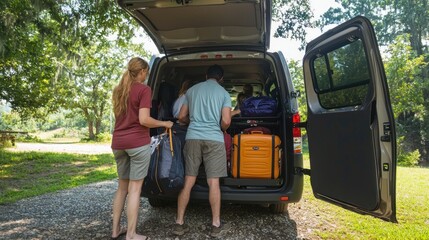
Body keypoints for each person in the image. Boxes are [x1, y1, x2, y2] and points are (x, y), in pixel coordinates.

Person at [111, 57, 174, 240]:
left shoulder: (118, 90)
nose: (147, 75)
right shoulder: (144, 89)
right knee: (135, 189)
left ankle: (115, 230)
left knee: (122, 188)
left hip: (118, 143)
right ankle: (131, 234)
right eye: (146, 72)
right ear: (142, 72)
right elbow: (144, 120)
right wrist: (165, 123)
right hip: (137, 143)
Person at [173, 65, 231, 237]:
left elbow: (181, 116)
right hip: (214, 139)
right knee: (214, 182)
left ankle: (179, 223)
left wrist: (194, 121)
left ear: (206, 75)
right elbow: (226, 121)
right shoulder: (224, 94)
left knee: (188, 180)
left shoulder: (192, 90)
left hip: (192, 138)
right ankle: (215, 225)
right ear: (221, 79)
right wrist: (219, 126)